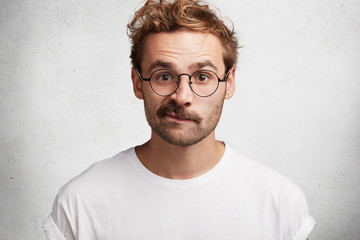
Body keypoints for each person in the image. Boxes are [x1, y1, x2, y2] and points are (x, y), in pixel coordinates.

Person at [43, 0, 316, 239]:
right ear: (138, 83)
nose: (182, 96)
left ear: (229, 82)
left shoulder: (280, 203)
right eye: (164, 76)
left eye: (202, 76)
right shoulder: (80, 204)